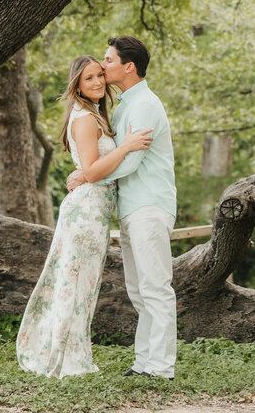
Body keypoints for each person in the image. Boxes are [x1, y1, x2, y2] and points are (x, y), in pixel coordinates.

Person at [16, 55, 152, 378]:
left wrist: (92, 167)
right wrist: (127, 146)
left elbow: (89, 170)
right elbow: (91, 172)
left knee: (84, 288)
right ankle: (66, 359)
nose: (98, 82)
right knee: (74, 285)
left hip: (96, 212)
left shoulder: (95, 115)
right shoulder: (86, 119)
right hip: (86, 212)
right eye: (88, 78)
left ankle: (73, 353)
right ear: (77, 85)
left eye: (99, 76)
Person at [67, 35, 177, 380]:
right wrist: (90, 171)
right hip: (131, 208)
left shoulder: (144, 104)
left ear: (128, 67)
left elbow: (130, 162)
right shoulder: (123, 105)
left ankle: (161, 367)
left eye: (108, 60)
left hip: (150, 205)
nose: (103, 67)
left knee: (155, 287)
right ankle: (144, 362)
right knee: (139, 291)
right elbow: (117, 155)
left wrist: (88, 176)